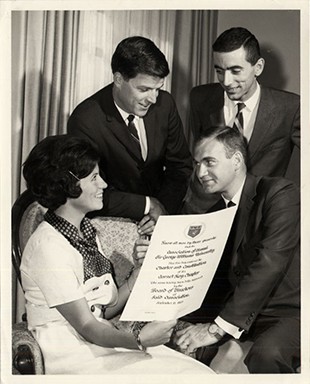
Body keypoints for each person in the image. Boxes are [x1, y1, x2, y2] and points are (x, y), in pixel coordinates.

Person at [20, 134, 212, 375]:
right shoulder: (47, 247)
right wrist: (140, 338)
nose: (103, 185)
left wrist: (138, 275)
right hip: (69, 352)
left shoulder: (86, 233)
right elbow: (87, 325)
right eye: (94, 178)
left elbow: (101, 311)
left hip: (96, 342)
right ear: (67, 185)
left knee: (195, 372)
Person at [174, 126, 300, 373]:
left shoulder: (279, 193)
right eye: (197, 163)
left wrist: (216, 328)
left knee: (266, 354)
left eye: (209, 162)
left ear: (237, 160)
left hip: (290, 312)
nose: (200, 172)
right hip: (241, 316)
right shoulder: (212, 215)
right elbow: (210, 281)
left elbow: (269, 263)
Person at [67, 36, 193, 231]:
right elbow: (87, 189)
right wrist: (148, 205)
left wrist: (162, 210)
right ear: (119, 79)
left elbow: (180, 167)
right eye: (144, 89)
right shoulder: (86, 120)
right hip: (111, 222)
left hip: (163, 216)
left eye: (158, 89)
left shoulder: (165, 105)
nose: (153, 99)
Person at [183, 26, 300, 213]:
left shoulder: (290, 107)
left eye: (235, 70)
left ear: (258, 67)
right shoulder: (200, 98)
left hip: (260, 214)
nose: (227, 81)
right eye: (219, 71)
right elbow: (196, 154)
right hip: (204, 211)